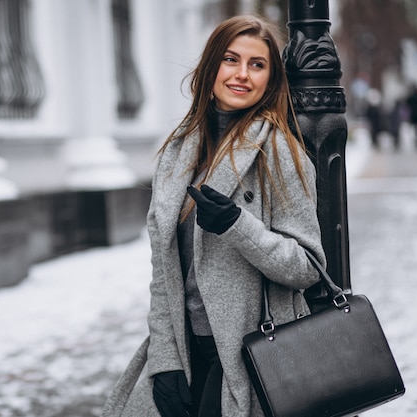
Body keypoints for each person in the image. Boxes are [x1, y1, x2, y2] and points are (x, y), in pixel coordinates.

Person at [101, 14, 326, 417]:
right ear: (210, 68)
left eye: (257, 65)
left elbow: (308, 267)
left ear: (271, 80)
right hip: (188, 353)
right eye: (230, 60)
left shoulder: (278, 153)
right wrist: (166, 361)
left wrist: (238, 226)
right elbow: (163, 271)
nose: (242, 74)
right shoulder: (179, 152)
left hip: (253, 357)